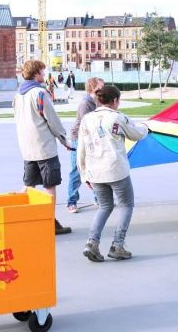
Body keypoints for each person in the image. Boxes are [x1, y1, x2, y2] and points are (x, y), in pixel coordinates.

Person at [78, 85, 148, 262]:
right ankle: (118, 244)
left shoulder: (87, 119)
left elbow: (81, 148)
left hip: (95, 170)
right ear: (115, 101)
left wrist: (83, 173)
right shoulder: (118, 118)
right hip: (116, 169)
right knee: (126, 205)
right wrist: (147, 127)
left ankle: (91, 242)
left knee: (104, 206)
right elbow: (137, 134)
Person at [13, 59, 72, 235]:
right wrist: (64, 139)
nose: (44, 74)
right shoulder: (39, 93)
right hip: (44, 146)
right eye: (42, 71)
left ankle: (24, 218)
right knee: (50, 185)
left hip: (27, 147)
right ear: (36, 73)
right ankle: (49, 221)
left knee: (29, 184)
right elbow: (52, 119)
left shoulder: (18, 95)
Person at [66, 77, 104, 213]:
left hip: (91, 138)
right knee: (77, 170)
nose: (103, 88)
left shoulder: (99, 101)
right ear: (93, 87)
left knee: (95, 168)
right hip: (79, 138)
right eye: (101, 86)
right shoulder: (85, 103)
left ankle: (98, 198)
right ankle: (71, 201)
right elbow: (88, 124)